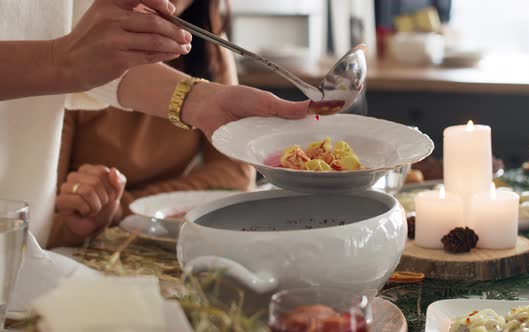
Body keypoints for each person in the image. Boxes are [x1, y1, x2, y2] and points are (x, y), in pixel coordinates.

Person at [0, 0, 309, 247]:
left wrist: (202, 101)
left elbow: (86, 57)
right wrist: (62, 59)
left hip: (23, 245)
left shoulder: (206, 47)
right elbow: (75, 57)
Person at [48, 0, 255, 247]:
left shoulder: (208, 51)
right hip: (81, 246)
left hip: (164, 240)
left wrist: (124, 208)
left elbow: (235, 175)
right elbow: (43, 215)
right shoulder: (73, 48)